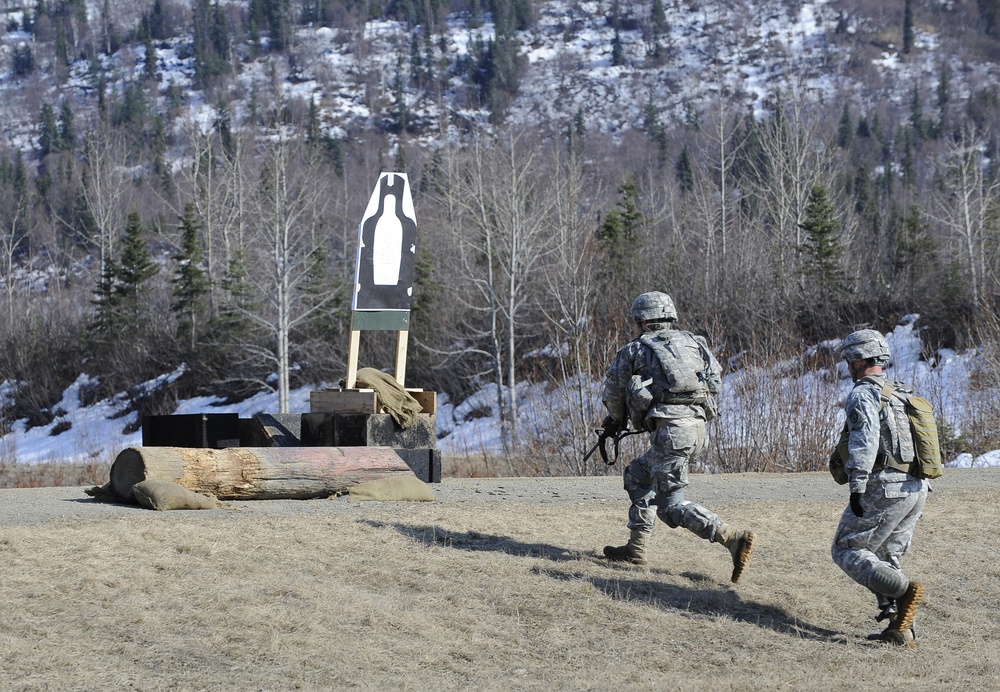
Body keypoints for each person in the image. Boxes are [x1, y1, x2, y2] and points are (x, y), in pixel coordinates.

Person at [600, 291, 756, 583]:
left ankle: (732, 538)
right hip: (696, 429)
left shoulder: (635, 350)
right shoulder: (695, 343)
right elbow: (716, 383)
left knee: (671, 506)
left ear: (643, 320)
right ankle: (636, 550)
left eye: (635, 321)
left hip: (670, 434)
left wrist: (617, 418)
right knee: (637, 476)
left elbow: (612, 392)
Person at [831, 328, 927, 648]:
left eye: (849, 360)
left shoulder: (862, 394)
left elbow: (865, 439)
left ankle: (903, 591)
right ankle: (901, 630)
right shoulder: (901, 392)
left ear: (860, 361)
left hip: (887, 487)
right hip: (916, 488)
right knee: (886, 556)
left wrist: (857, 486)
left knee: (847, 548)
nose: (847, 366)